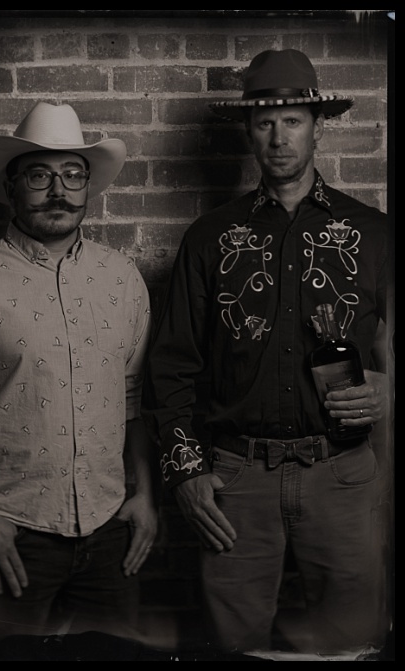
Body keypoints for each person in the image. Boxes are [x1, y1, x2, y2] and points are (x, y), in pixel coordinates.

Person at [141, 49, 389, 654]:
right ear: (248, 131)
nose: (279, 138)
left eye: (293, 121)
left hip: (342, 474)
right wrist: (184, 473)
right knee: (233, 645)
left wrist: (391, 386)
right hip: (237, 477)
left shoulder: (374, 232)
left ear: (317, 125)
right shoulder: (209, 237)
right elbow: (171, 364)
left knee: (352, 644)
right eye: (264, 123)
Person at [0, 101, 158, 645]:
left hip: (111, 532)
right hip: (13, 533)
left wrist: (145, 494)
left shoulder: (122, 277)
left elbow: (134, 397)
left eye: (72, 174)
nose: (58, 190)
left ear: (88, 186)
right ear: (11, 187)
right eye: (39, 175)